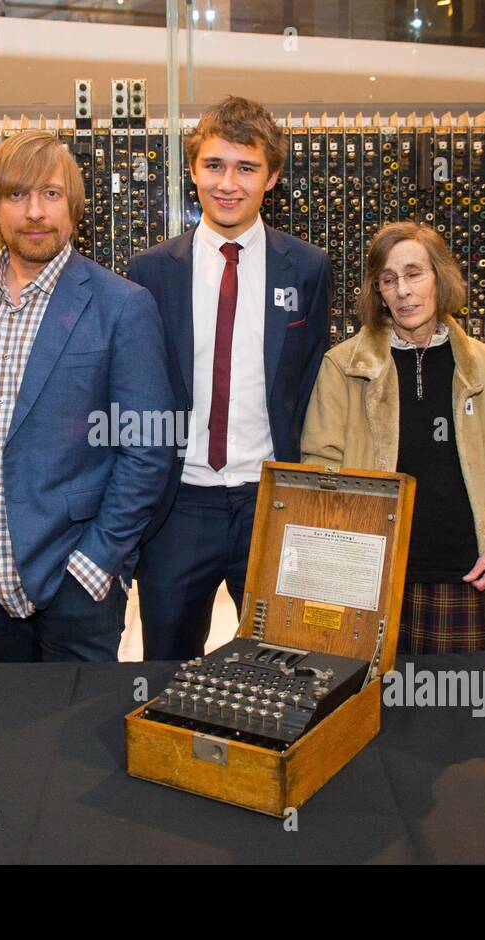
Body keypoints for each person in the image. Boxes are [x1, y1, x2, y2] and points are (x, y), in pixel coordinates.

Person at [0, 129, 174, 662]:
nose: (34, 212)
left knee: (75, 732)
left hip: (78, 573)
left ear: (73, 207)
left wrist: (99, 559)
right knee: (9, 732)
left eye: (50, 194)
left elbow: (149, 447)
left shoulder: (122, 305)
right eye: (16, 195)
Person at [127, 95, 331, 661]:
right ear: (193, 169)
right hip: (179, 505)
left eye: (246, 167)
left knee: (282, 664)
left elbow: (311, 376)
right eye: (214, 165)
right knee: (167, 665)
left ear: (272, 177)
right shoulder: (151, 272)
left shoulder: (308, 268)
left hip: (272, 500)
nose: (228, 183)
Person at [301, 221, 485, 654]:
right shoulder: (344, 365)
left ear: (439, 277)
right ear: (378, 292)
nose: (403, 290)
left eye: (414, 273)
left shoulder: (482, 364)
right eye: (388, 280)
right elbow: (319, 468)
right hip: (373, 580)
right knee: (373, 716)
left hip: (464, 576)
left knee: (458, 713)